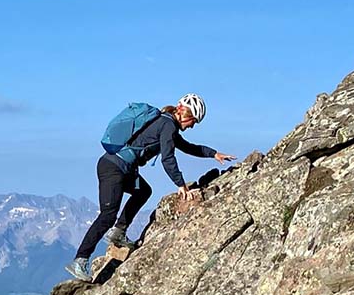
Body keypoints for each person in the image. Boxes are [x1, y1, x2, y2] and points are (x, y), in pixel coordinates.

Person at [65, 94, 236, 282]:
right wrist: (181, 184)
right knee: (107, 215)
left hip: (123, 169)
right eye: (194, 121)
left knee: (143, 191)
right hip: (113, 168)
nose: (192, 126)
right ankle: (80, 260)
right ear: (185, 115)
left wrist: (214, 154)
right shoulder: (168, 126)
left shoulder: (166, 124)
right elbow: (168, 158)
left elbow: (188, 147)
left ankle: (118, 231)